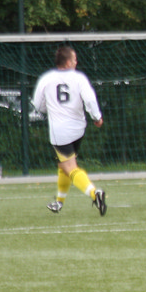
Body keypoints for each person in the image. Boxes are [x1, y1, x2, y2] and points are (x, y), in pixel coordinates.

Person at [33, 45, 106, 215]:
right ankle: (59, 202)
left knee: (70, 167)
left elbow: (38, 104)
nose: (76, 62)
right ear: (67, 62)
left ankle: (95, 194)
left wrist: (50, 109)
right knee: (63, 165)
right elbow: (90, 99)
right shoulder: (79, 78)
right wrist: (97, 117)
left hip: (60, 132)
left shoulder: (47, 79)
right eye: (74, 59)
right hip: (78, 129)